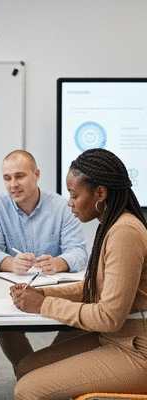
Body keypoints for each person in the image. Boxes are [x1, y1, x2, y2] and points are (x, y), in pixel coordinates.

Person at [13, 148, 147, 399]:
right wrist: (40, 292)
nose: (69, 203)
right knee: (26, 367)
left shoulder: (125, 232)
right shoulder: (111, 226)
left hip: (137, 350)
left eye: (74, 195)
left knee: (27, 391)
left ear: (100, 194)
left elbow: (109, 317)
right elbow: (91, 289)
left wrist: (44, 304)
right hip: (115, 339)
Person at [0, 149, 88, 373]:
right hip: (14, 289)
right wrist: (10, 263)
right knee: (2, 324)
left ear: (36, 174)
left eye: (20, 176)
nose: (12, 185)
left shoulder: (61, 206)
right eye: (7, 178)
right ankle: (33, 376)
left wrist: (60, 263)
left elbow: (78, 251)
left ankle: (42, 375)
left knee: (84, 317)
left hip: (56, 290)